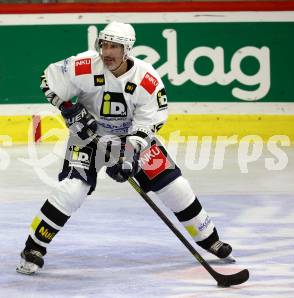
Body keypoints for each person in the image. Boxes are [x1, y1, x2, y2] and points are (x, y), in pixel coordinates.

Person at [16, 21, 233, 275]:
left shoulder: (146, 79)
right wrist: (67, 108)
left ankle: (209, 239)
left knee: (175, 186)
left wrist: (128, 157)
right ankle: (34, 247)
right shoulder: (83, 65)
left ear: (127, 50)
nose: (106, 52)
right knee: (72, 189)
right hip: (87, 137)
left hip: (133, 139)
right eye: (104, 45)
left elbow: (150, 123)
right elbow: (48, 80)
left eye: (114, 47)